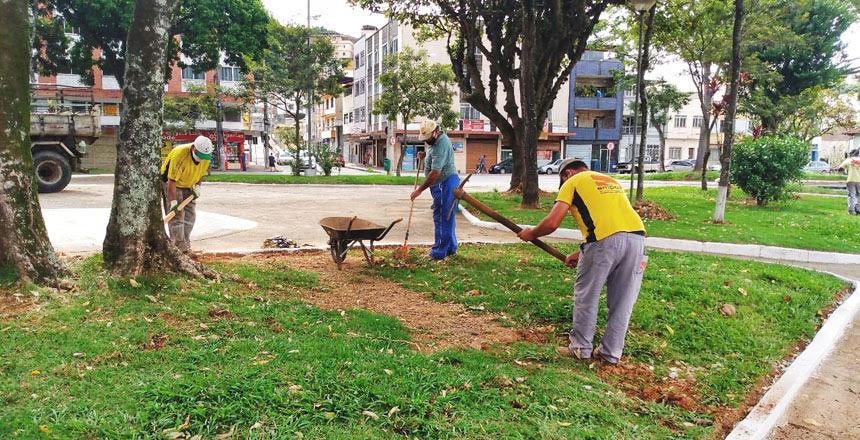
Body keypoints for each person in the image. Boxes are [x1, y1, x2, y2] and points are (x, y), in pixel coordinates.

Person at [517, 159, 647, 365]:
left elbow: (552, 222)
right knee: (623, 301)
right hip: (638, 240)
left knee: (587, 296)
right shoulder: (609, 180)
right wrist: (582, 253)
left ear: (566, 174)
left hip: (604, 243)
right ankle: (611, 353)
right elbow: (613, 225)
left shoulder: (573, 181)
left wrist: (531, 233)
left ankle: (580, 348)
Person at [411, 121, 460, 260]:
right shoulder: (435, 142)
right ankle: (450, 248)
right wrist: (425, 156)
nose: (426, 140)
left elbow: (435, 172)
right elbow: (435, 156)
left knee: (442, 217)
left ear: (435, 132)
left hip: (445, 183)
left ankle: (439, 251)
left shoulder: (441, 143)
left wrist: (419, 190)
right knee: (445, 216)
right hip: (440, 184)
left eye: (427, 137)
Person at [161, 135, 213, 253]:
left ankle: (185, 241)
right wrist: (173, 203)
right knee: (177, 216)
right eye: (200, 156)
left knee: (191, 215)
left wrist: (197, 186)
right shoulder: (180, 154)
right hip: (172, 185)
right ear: (194, 148)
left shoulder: (206, 157)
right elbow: (171, 181)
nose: (201, 159)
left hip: (189, 185)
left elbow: (200, 173)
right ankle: (178, 247)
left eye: (204, 157)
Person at [838, 149, 860, 215]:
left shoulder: (848, 160)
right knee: (859, 195)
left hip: (851, 179)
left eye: (849, 153)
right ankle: (858, 208)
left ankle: (852, 211)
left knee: (851, 195)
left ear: (851, 153)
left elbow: (840, 169)